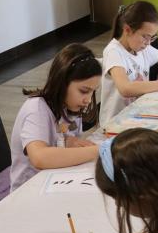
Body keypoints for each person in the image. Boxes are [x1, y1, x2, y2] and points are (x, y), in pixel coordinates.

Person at [9, 43, 100, 191]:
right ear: (62, 83)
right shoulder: (36, 108)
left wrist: (67, 141)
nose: (88, 100)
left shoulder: (71, 106)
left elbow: (62, 132)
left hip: (56, 179)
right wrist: (98, 151)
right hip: (29, 190)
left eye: (93, 92)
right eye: (84, 91)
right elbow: (39, 157)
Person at [101, 2, 158, 124]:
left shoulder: (143, 49)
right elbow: (125, 88)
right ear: (127, 30)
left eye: (152, 37)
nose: (148, 43)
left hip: (138, 115)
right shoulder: (114, 52)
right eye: (145, 37)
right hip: (116, 122)